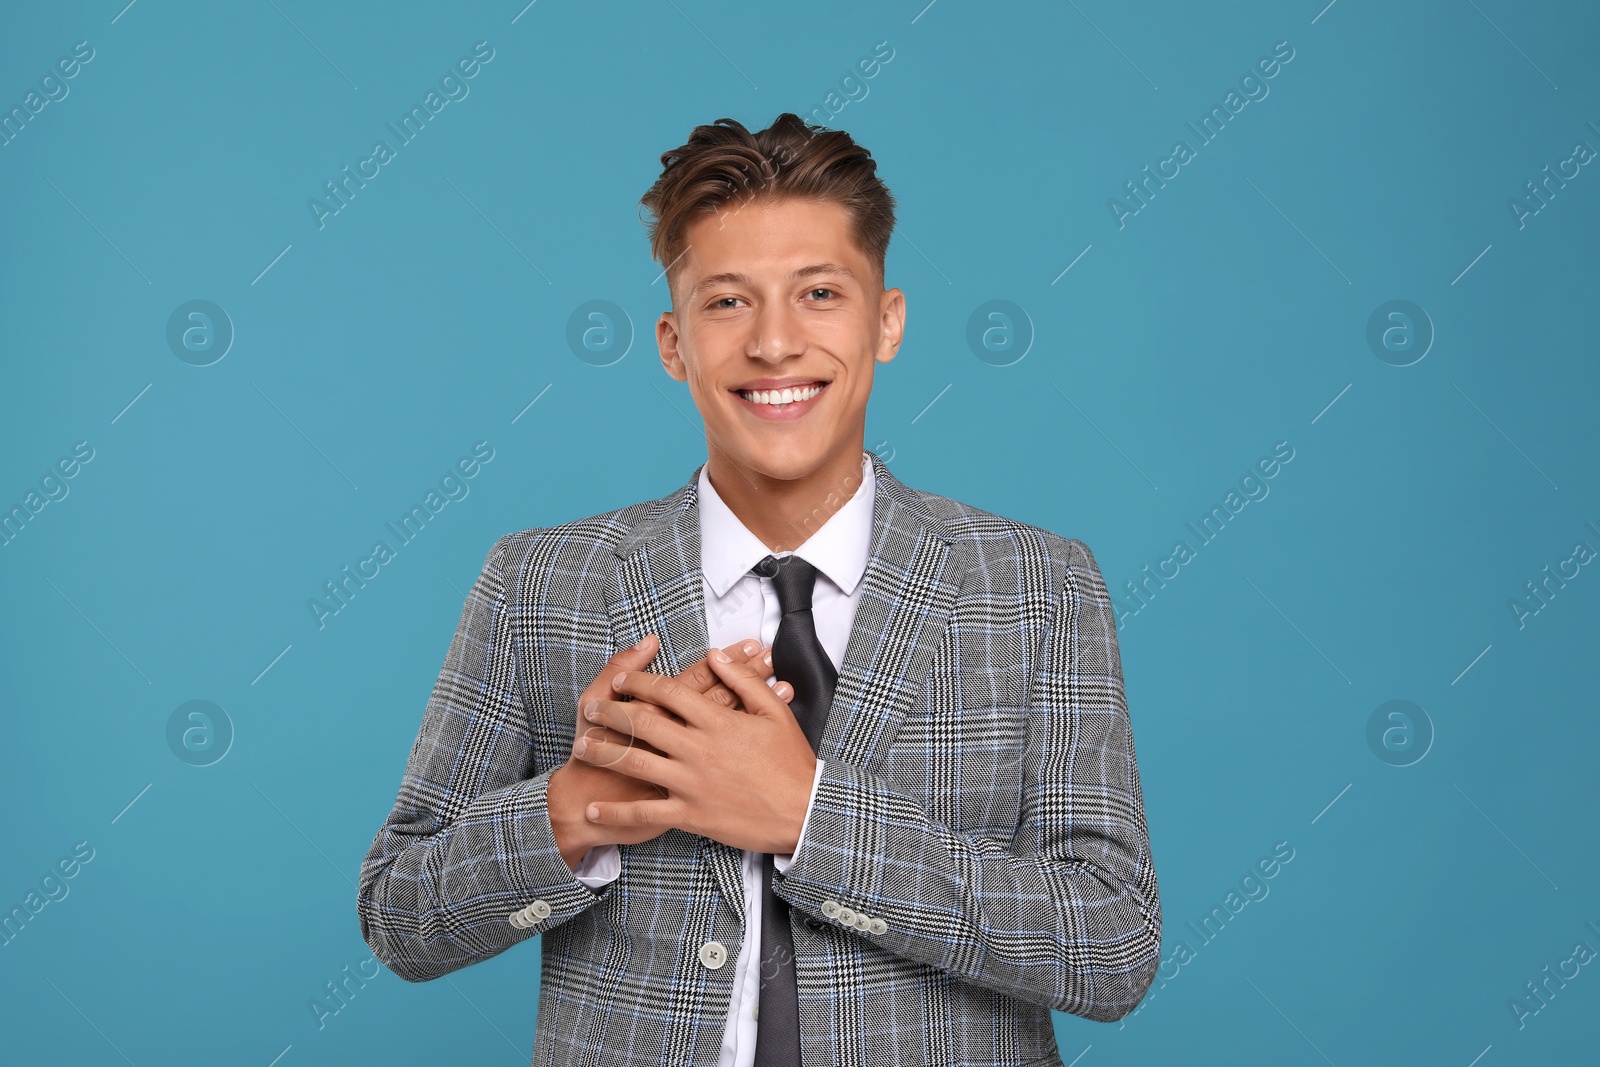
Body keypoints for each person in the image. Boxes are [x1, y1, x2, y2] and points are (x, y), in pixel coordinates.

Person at [358, 112, 1160, 1067]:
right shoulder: (541, 582)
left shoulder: (1036, 587)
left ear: (888, 321)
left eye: (820, 292)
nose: (775, 343)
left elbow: (1112, 945)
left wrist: (810, 817)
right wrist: (579, 806)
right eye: (728, 302)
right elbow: (400, 915)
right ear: (673, 341)